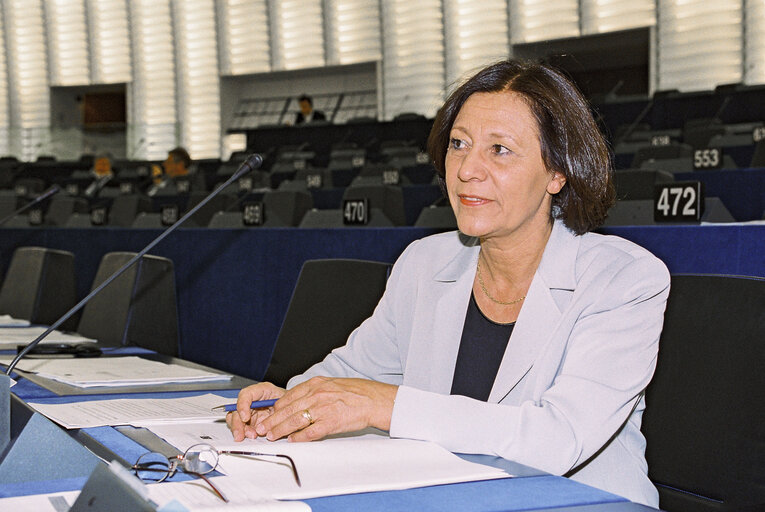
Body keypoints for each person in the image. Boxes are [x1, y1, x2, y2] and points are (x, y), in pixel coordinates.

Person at [227, 60, 670, 507]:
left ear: (558, 172)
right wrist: (287, 401)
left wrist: (388, 405)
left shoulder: (624, 280)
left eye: (499, 150)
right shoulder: (425, 262)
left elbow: (558, 439)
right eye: (459, 144)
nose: (466, 170)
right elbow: (356, 372)